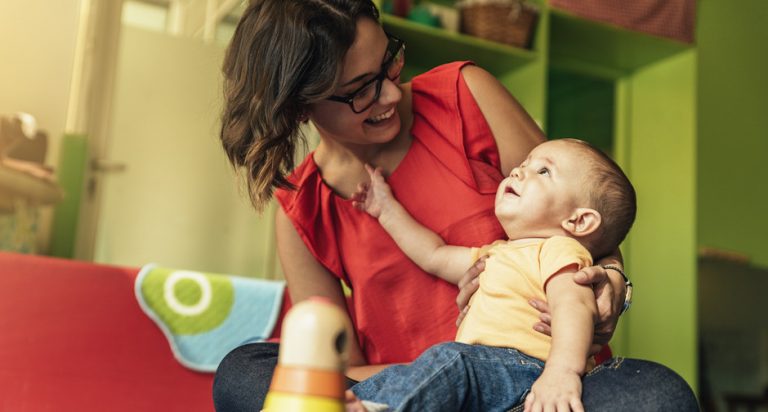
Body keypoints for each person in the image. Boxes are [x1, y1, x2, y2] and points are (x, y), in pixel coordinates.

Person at [212, 1, 698, 411]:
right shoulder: (302, 209)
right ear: (299, 106)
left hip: (539, 379)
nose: (387, 93)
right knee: (242, 371)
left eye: (390, 63)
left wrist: (612, 280)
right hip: (407, 388)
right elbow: (330, 360)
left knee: (660, 395)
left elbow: (581, 214)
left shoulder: (465, 95)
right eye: (360, 89)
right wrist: (441, 374)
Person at [346, 138, 634, 411]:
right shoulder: (497, 253)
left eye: (543, 170)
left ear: (579, 220)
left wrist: (562, 372)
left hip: (529, 372)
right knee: (419, 371)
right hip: (487, 375)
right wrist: (385, 209)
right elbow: (433, 255)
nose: (519, 171)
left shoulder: (560, 250)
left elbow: (574, 306)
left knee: (449, 359)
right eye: (525, 162)